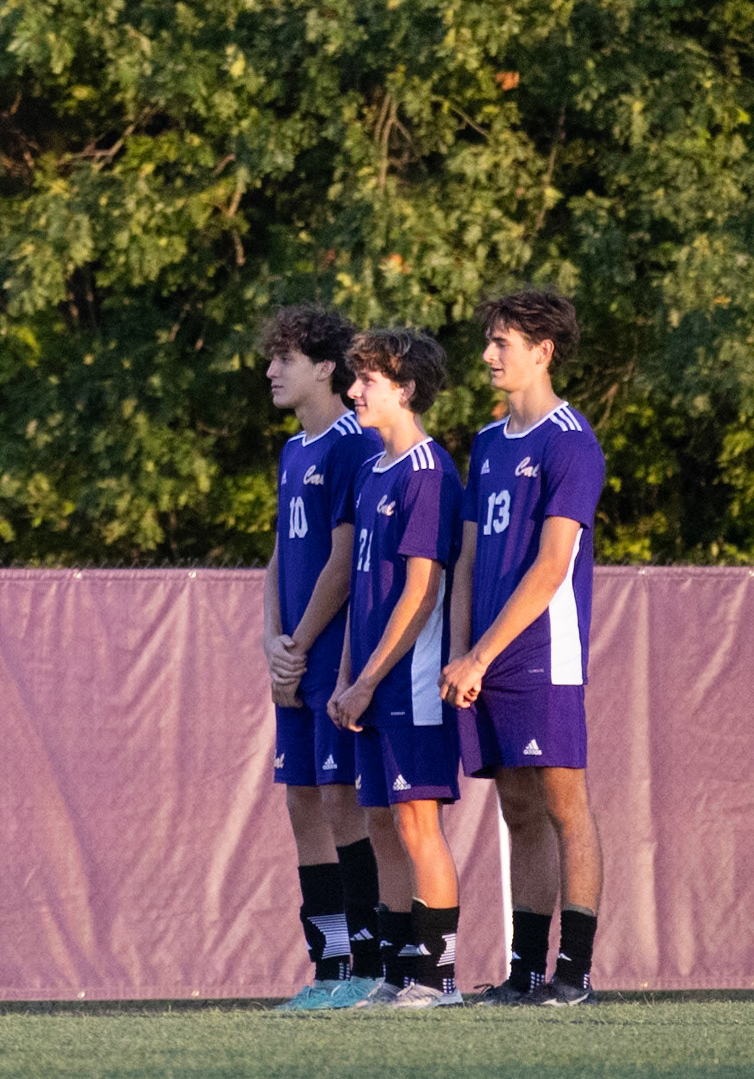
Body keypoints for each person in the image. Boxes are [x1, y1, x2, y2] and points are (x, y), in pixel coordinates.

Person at [439, 288, 606, 1006]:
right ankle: (525, 971)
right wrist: (461, 652)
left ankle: (573, 972)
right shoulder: (485, 441)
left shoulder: (571, 440)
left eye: (501, 342)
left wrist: (482, 654)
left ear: (541, 351)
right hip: (485, 656)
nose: (487, 354)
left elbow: (550, 566)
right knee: (515, 808)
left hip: (541, 648)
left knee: (564, 802)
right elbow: (470, 556)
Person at [329, 328, 465, 1009]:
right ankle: (395, 969)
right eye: (355, 379)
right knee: (380, 820)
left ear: (406, 389)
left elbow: (420, 593)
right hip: (371, 684)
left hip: (410, 684)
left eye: (369, 380)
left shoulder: (429, 472)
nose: (355, 391)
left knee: (417, 824)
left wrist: (367, 678)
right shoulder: (371, 470)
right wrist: (346, 679)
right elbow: (364, 588)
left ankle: (439, 980)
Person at [261, 305, 384, 1011]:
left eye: (285, 358)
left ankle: (369, 961)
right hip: (294, 660)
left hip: (331, 655)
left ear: (325, 367)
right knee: (300, 799)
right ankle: (330, 962)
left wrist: (301, 645)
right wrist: (272, 644)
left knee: (343, 801)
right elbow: (281, 554)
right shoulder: (291, 450)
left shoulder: (350, 443)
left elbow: (341, 562)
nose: (271, 371)